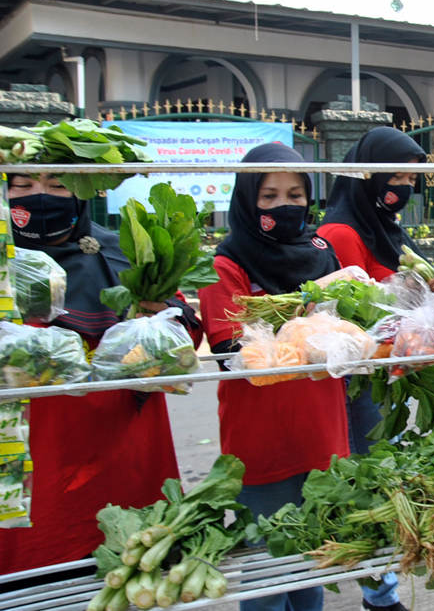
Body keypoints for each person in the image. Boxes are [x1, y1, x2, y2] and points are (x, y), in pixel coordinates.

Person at [0, 172, 201, 577]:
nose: (40, 197)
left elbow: (188, 336)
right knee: (32, 578)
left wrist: (158, 324)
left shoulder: (124, 253)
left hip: (123, 451)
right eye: (22, 185)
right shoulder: (7, 266)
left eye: (58, 185)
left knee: (126, 571)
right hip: (31, 458)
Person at [199, 143, 351, 611]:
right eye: (268, 197)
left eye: (295, 194)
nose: (284, 206)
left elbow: (350, 327)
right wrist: (309, 308)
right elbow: (234, 352)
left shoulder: (321, 254)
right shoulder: (223, 265)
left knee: (311, 562)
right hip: (263, 439)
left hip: (322, 430)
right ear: (247, 200)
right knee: (268, 569)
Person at [315, 127, 434, 611]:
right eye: (396, 174)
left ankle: (377, 586)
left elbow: (401, 288)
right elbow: (351, 310)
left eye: (411, 176)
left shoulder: (383, 223)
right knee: (371, 477)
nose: (404, 185)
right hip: (358, 379)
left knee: (381, 473)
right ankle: (379, 594)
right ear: (366, 174)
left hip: (385, 372)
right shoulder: (341, 232)